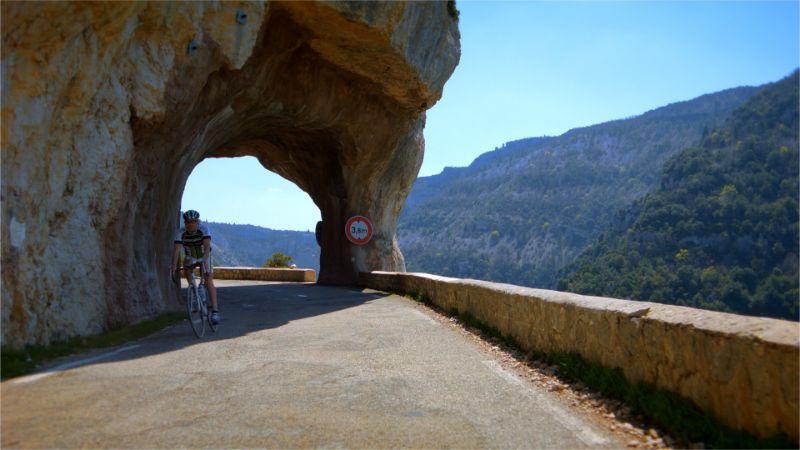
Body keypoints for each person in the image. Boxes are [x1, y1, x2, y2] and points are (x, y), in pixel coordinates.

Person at [172, 210, 220, 325]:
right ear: (185, 222)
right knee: (186, 265)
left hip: (205, 254)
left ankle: (215, 311)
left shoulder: (203, 229)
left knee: (208, 280)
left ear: (198, 221)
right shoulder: (180, 233)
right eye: (188, 222)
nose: (191, 224)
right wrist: (173, 266)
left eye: (194, 222)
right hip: (191, 256)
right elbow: (177, 250)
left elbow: (207, 246)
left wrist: (205, 260)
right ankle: (193, 291)